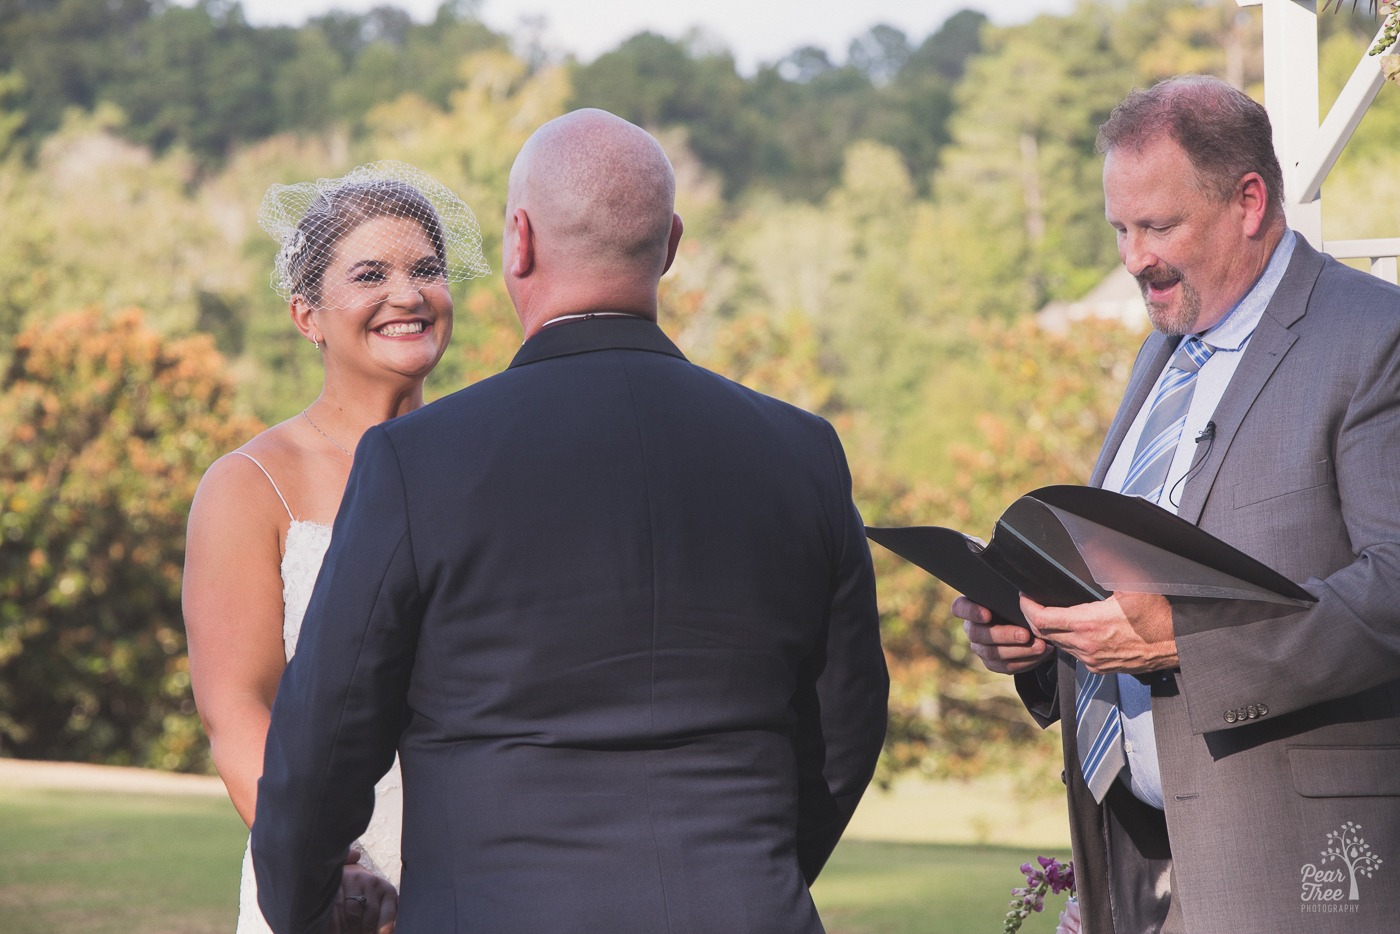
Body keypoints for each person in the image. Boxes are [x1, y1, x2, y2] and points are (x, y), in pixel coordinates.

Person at [249, 108, 889, 934]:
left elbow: (327, 738)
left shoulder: (420, 459)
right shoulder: (801, 451)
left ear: (518, 241)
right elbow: (848, 721)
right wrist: (751, 875)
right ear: (669, 243)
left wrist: (302, 908)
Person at [957, 75, 1400, 933]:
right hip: (1141, 869)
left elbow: (1393, 587)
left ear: (1248, 201)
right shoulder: (1161, 355)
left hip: (1302, 868)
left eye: (1158, 226)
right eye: (1120, 228)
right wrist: (1036, 636)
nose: (1133, 258)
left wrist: (1179, 639)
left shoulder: (1375, 341)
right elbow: (1128, 584)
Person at [183, 161, 491, 934]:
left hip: (489, 876)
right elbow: (235, 709)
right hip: (334, 887)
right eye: (370, 274)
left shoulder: (489, 462)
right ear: (306, 315)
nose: (408, 294)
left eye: (427, 269)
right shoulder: (250, 483)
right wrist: (336, 872)